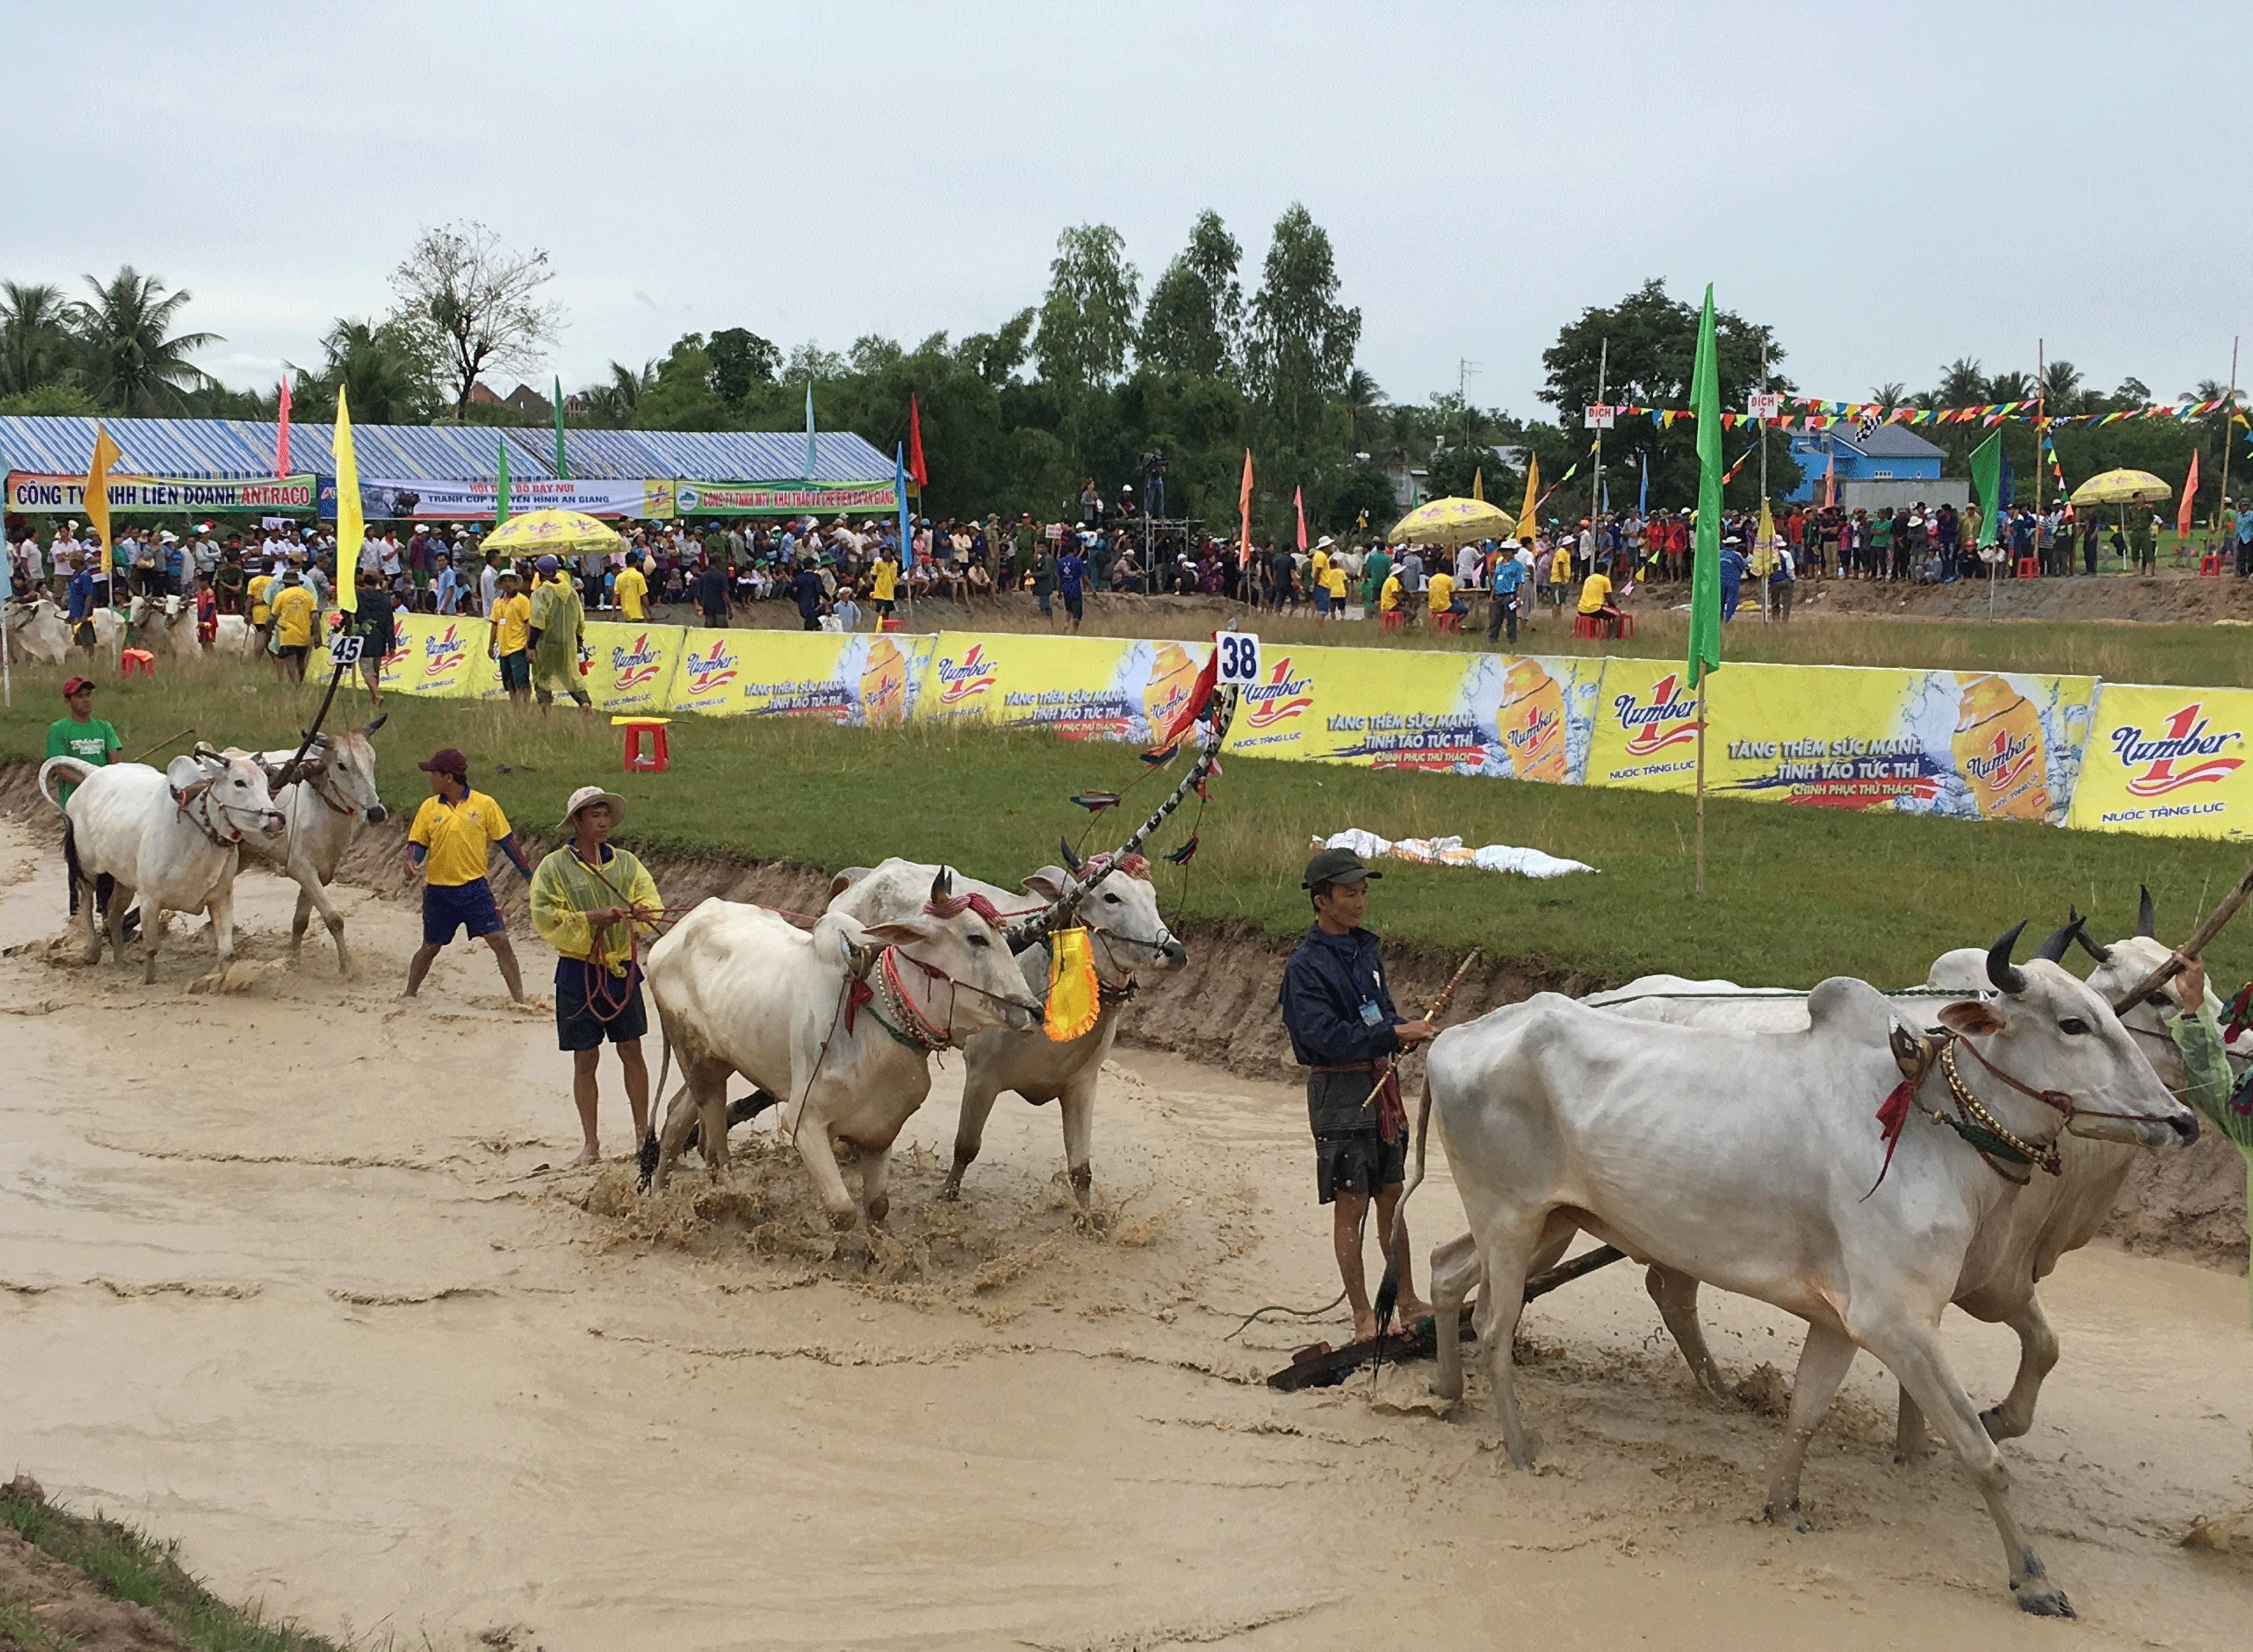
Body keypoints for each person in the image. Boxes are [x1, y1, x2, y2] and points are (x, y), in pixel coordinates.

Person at [1278, 847, 1434, 1344]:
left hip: (1379, 1083)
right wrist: (1391, 1034)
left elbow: (1379, 1011)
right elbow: (1322, 1037)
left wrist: (1399, 1030)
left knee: (1391, 1194)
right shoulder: (1304, 968)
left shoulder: (1366, 950)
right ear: (1322, 901)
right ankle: (1363, 1315)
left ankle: (1407, 1301)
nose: (1360, 901)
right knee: (1352, 1202)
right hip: (1339, 1090)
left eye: (1364, 891)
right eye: (1350, 893)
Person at [531, 786, 662, 1165]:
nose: (603, 822)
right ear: (577, 822)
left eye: (606, 815)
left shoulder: (626, 863)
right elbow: (544, 915)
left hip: (621, 970)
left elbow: (651, 900)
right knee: (584, 1060)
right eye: (594, 816)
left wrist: (641, 912)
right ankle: (591, 1144)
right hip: (577, 972)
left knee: (632, 1052)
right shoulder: (554, 867)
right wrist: (591, 918)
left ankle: (643, 1138)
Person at [402, 747, 533, 1005]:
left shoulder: (485, 805)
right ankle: (409, 994)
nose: (431, 779)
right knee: (430, 947)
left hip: (475, 890)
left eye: (434, 774)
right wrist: (411, 861)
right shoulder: (428, 808)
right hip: (438, 892)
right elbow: (418, 843)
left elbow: (508, 842)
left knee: (500, 940)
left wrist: (528, 874)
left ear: (448, 778)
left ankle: (520, 1000)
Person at [527, 555, 592, 717]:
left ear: (540, 573)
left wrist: (531, 646)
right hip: (568, 644)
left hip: (546, 644)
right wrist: (579, 641)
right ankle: (584, 702)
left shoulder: (540, 594)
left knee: (542, 678)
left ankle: (546, 712)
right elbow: (580, 619)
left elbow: (537, 621)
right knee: (571, 677)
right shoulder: (571, 592)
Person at [351, 567, 396, 706]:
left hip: (363, 636)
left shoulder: (357, 597)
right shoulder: (385, 599)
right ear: (378, 580)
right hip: (380, 637)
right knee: (376, 670)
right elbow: (389, 622)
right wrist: (392, 643)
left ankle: (376, 694)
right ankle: (373, 701)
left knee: (366, 670)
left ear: (363, 580)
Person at [487, 569, 532, 706]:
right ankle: (515, 708)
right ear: (501, 584)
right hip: (503, 648)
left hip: (518, 646)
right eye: (505, 581)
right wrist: (491, 645)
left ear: (515, 583)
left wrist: (529, 645)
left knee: (521, 681)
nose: (508, 584)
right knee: (509, 684)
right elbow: (495, 624)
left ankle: (525, 707)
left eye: (510, 581)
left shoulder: (522, 600)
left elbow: (527, 623)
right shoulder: (497, 602)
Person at [269, 567, 317, 683]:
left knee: (291, 661)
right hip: (305, 634)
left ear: (285, 583)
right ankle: (301, 683)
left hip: (288, 634)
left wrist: (268, 629)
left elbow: (273, 616)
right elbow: (315, 616)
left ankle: (297, 687)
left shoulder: (281, 595)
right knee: (301, 662)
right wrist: (317, 635)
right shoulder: (308, 595)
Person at [1056, 540, 1086, 632]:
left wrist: (1059, 591)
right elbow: (1084, 576)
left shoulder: (1061, 562)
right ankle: (1074, 631)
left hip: (1066, 590)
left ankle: (1066, 624)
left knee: (1068, 609)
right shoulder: (1077, 561)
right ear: (1076, 550)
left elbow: (1059, 579)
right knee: (1077, 614)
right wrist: (1092, 588)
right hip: (1076, 590)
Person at [614, 550, 649, 621]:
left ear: (626, 563)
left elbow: (616, 596)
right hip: (637, 614)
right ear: (636, 563)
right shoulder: (639, 576)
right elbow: (644, 596)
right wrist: (649, 613)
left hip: (626, 614)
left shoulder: (620, 577)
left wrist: (613, 613)